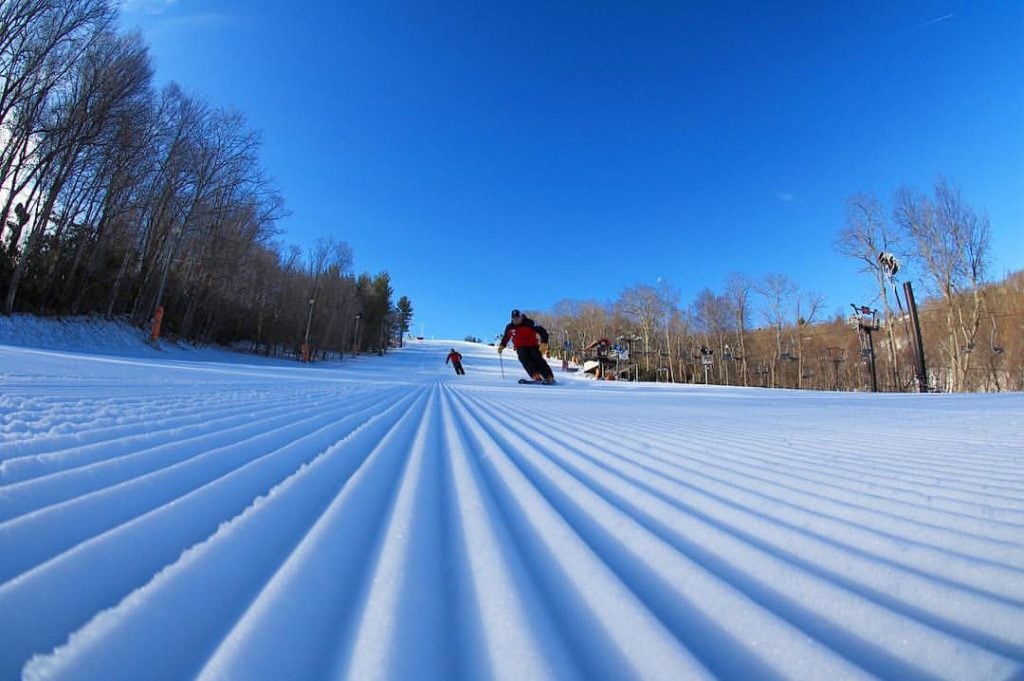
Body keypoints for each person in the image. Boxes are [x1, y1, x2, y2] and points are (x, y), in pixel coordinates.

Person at [498, 309, 556, 383]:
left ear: (521, 317)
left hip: (533, 345)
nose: (516, 320)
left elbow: (542, 331)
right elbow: (506, 337)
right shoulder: (510, 327)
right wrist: (502, 346)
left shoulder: (529, 323)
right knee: (524, 358)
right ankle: (535, 376)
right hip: (521, 347)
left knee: (536, 357)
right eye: (514, 319)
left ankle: (548, 376)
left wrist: (544, 342)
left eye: (517, 318)